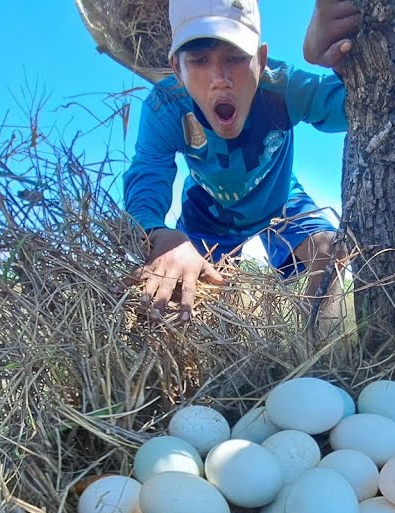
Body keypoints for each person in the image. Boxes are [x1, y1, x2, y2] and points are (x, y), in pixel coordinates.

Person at [123, 0, 361, 325]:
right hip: (207, 214)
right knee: (186, 291)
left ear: (261, 61)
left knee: (330, 250)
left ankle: (322, 367)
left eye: (235, 57)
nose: (220, 78)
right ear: (177, 69)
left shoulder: (281, 88)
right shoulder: (166, 107)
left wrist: (336, 58)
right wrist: (159, 235)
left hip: (279, 202)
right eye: (199, 60)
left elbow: (349, 105)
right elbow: (147, 177)